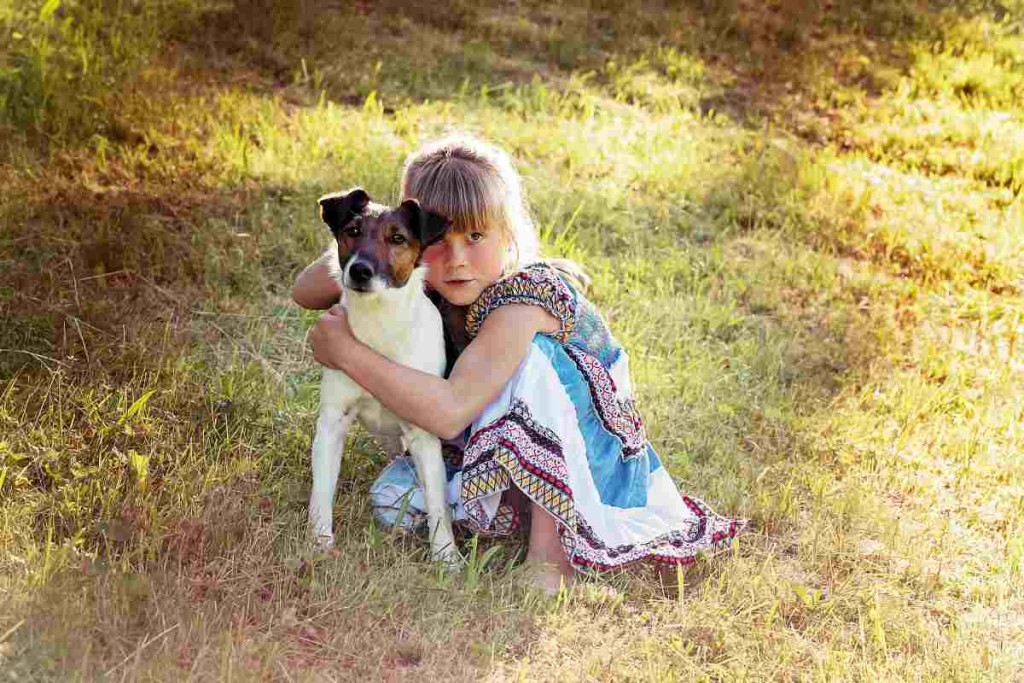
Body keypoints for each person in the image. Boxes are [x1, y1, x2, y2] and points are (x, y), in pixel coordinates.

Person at [293, 134, 744, 594]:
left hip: (592, 459)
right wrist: (370, 228)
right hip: (485, 441)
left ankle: (551, 563)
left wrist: (347, 351)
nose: (456, 259)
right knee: (393, 502)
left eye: (475, 235)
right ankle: (514, 514)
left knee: (532, 362)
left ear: (507, 232)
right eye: (439, 240)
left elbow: (450, 410)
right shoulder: (419, 273)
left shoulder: (524, 299)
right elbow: (304, 292)